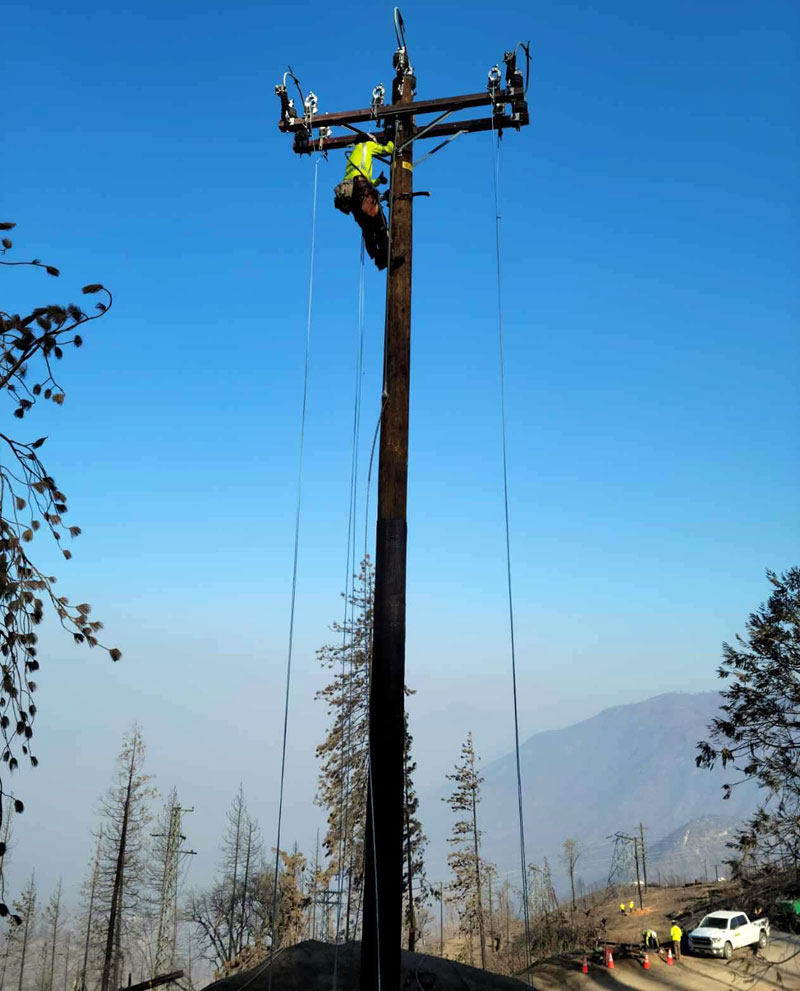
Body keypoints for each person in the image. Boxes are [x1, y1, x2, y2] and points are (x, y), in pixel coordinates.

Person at [334, 136, 398, 271]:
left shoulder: (354, 154)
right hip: (361, 189)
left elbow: (360, 177)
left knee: (368, 228)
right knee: (380, 224)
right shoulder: (367, 145)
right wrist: (394, 137)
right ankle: (388, 258)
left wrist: (378, 181)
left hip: (352, 195)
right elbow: (389, 149)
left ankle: (379, 259)